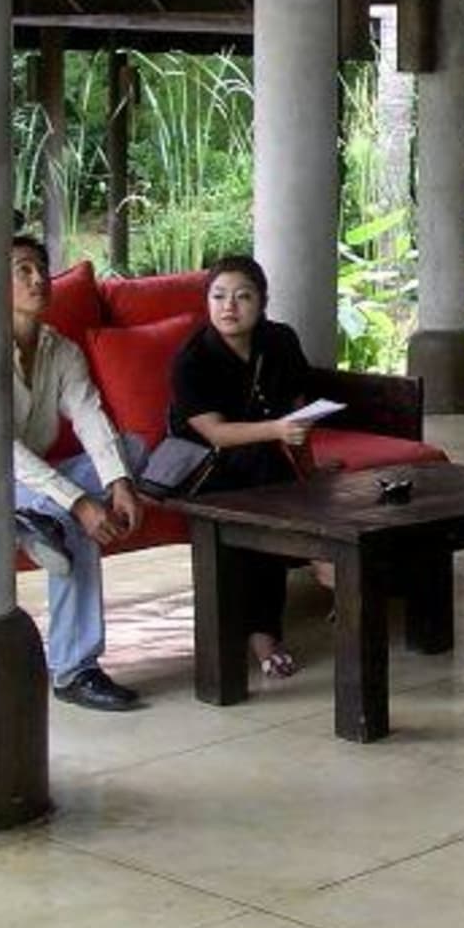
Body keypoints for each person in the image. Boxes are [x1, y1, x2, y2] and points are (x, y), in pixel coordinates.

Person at [168, 254, 334, 679]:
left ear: (262, 302)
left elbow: (298, 415)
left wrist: (310, 473)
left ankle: (266, 633)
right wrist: (277, 430)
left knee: (266, 487)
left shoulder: (280, 342)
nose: (229, 306)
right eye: (218, 296)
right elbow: (216, 434)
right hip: (203, 469)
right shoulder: (192, 358)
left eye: (242, 296)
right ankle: (318, 554)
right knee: (263, 473)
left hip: (264, 466)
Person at [8, 234, 148, 712]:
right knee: (74, 523)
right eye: (23, 270)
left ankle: (34, 522)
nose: (38, 279)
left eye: (41, 269)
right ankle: (75, 669)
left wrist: (117, 484)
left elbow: (89, 415)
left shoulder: (61, 351)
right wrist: (80, 502)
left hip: (32, 483)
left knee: (131, 450)